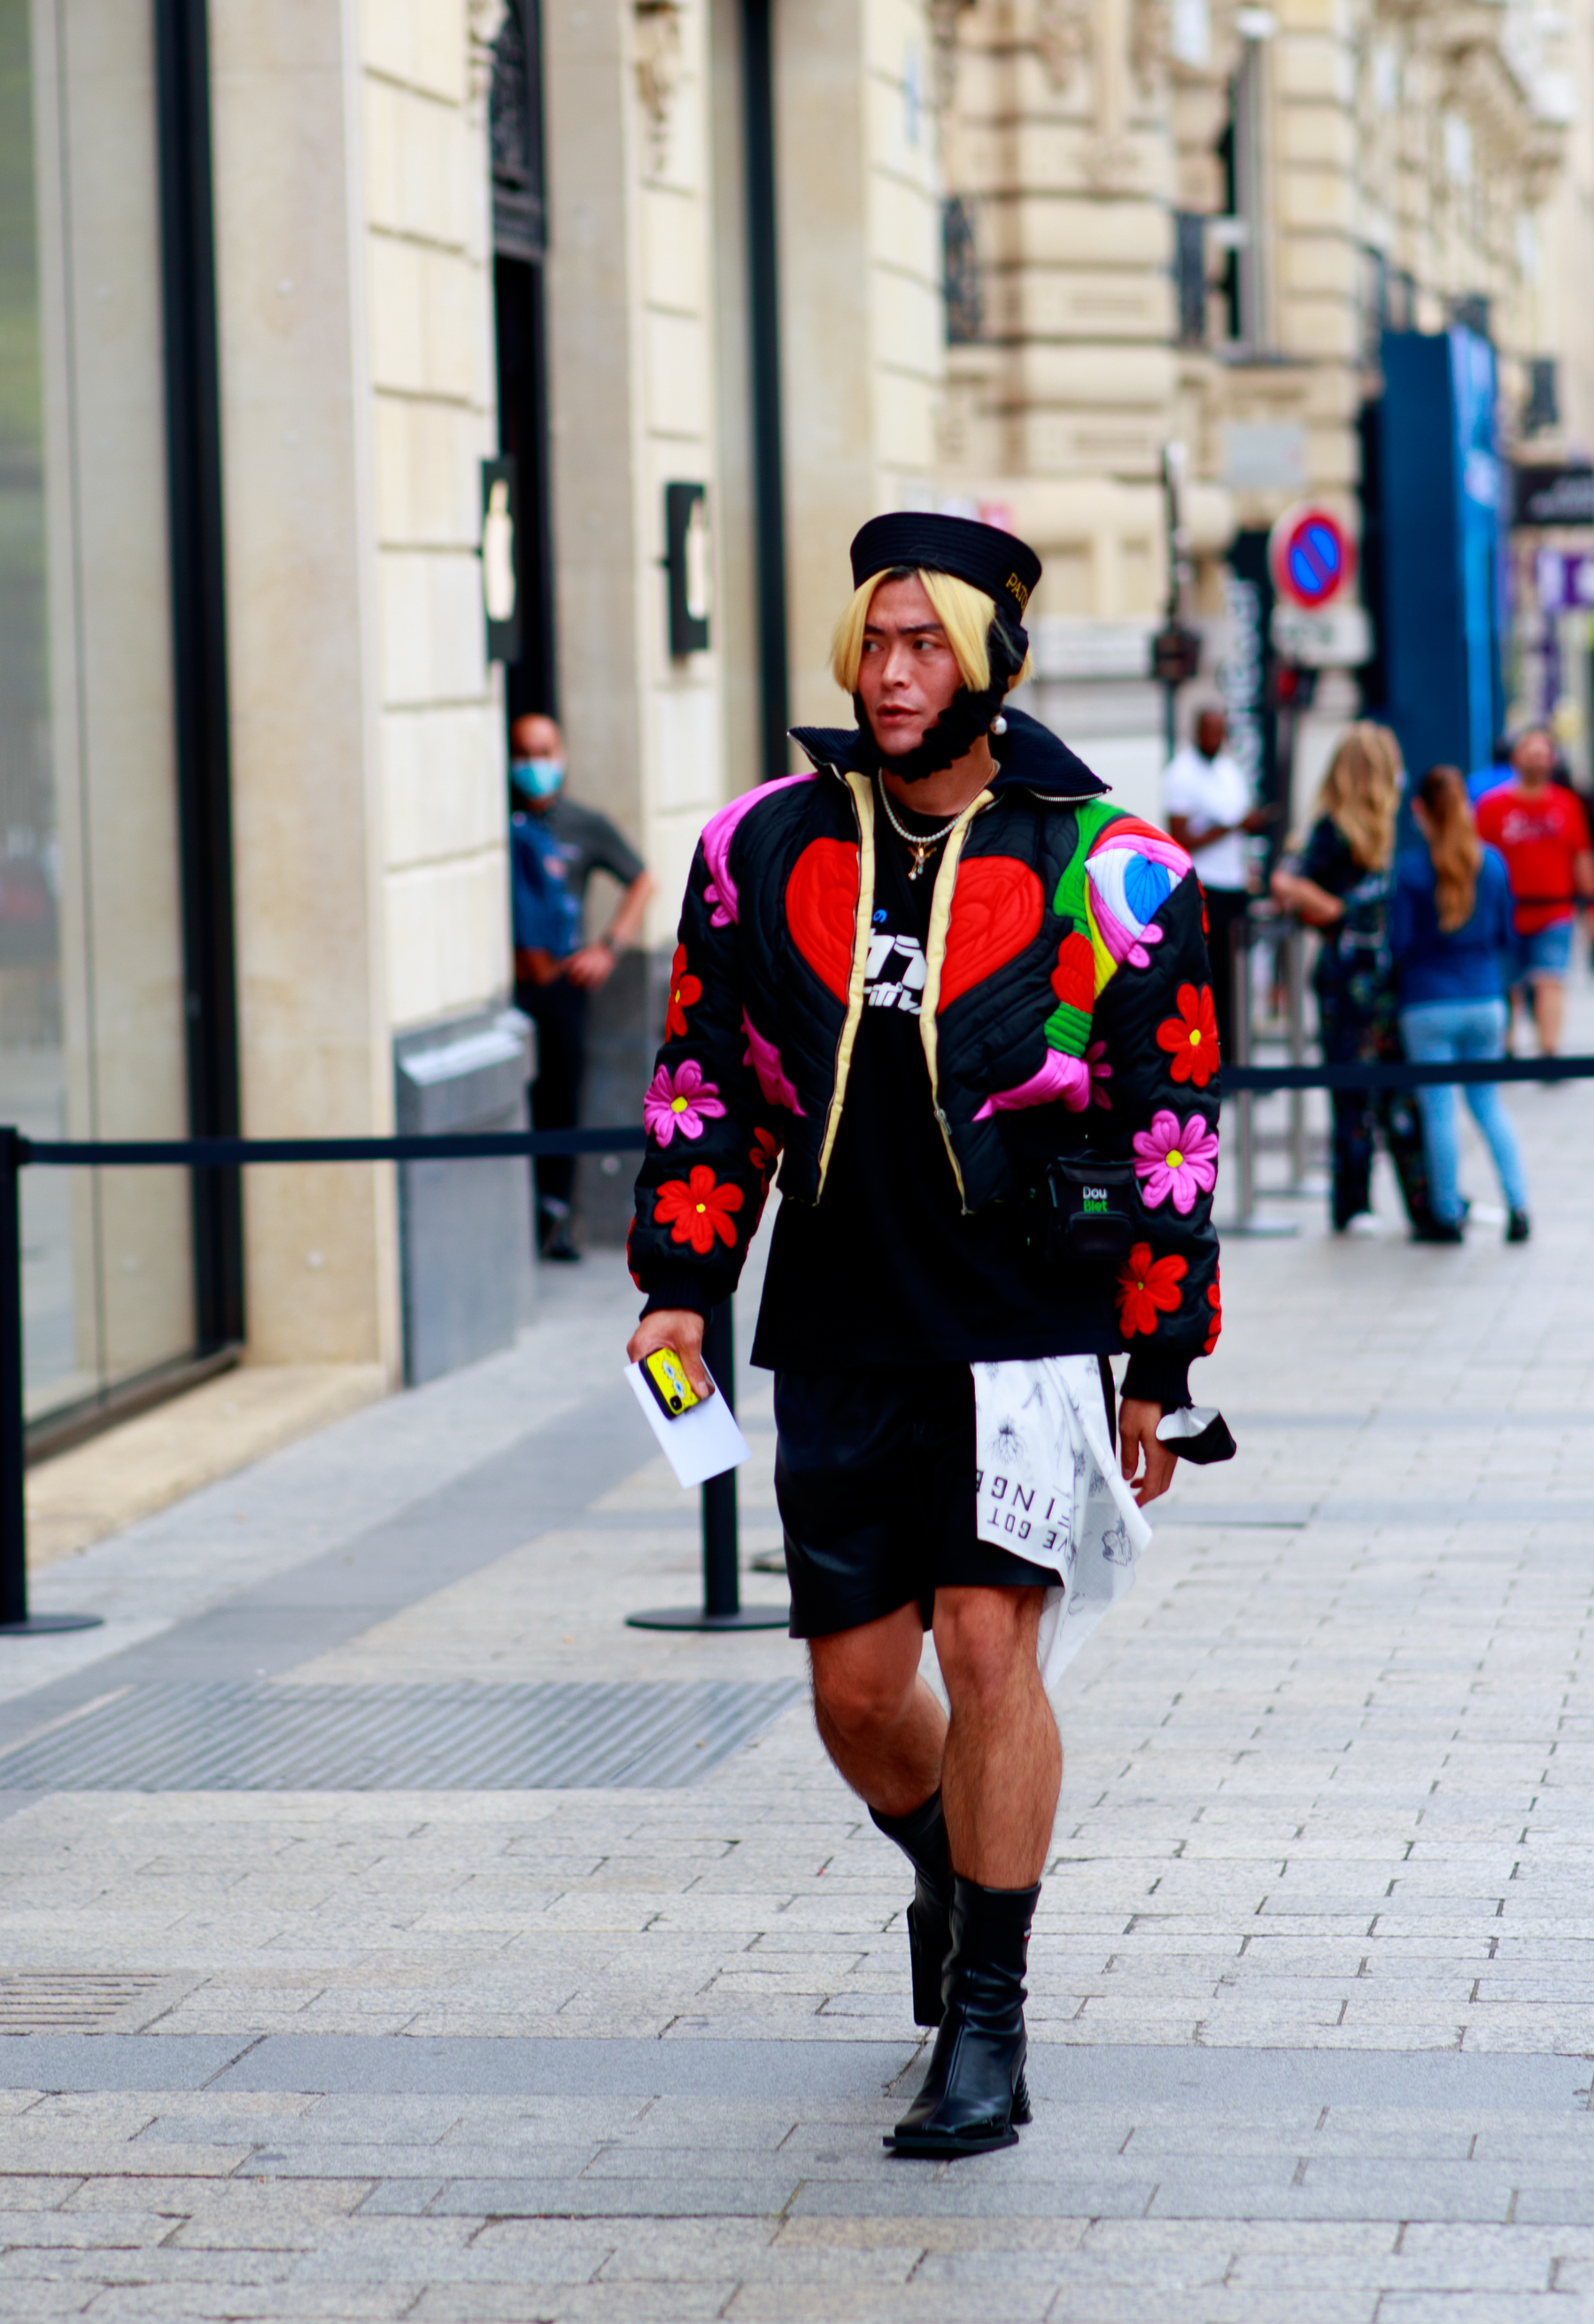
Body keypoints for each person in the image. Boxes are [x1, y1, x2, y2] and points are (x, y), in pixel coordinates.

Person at [625, 515, 1223, 2158]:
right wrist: (680, 1274)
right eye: (874, 644)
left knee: (985, 1648)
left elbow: (1172, 1120)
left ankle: (989, 2022)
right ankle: (958, 1881)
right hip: (833, 1317)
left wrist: (1164, 1365)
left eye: (924, 645)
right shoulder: (759, 847)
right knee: (855, 1695)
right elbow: (707, 1080)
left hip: (1021, 1322)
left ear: (991, 659)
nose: (891, 676)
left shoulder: (1108, 864)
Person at [1271, 724, 1435, 1237]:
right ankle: (1354, 1202)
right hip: (1349, 979)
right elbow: (1286, 880)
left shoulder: (1381, 827)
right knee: (1355, 1091)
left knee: (1395, 1091)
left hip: (1379, 979)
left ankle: (1426, 1201)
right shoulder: (1333, 830)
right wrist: (1338, 911)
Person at [510, 713, 654, 1259]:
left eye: (544, 753)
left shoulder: (581, 823)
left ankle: (558, 1214)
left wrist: (609, 946)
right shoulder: (503, 824)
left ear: (563, 755)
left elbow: (641, 877)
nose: (534, 765)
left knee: (562, 1099)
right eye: (524, 753)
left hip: (563, 981)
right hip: (516, 984)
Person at [1391, 766, 1528, 1244]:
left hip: (1428, 1002)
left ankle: (1446, 1213)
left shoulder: (1411, 870)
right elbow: (1505, 935)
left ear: (1421, 811)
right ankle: (1519, 1204)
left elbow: (1400, 944)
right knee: (1489, 1105)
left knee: (1439, 1111)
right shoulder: (1492, 865)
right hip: (1485, 997)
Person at [1474, 727, 1593, 1059]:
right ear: (1515, 757)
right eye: (1530, 752)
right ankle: (1507, 1047)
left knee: (1549, 979)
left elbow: (1581, 854)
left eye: (1542, 753)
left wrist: (1590, 904)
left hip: (1554, 910)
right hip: (1507, 910)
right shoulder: (1491, 806)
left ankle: (1549, 1049)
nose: (1536, 760)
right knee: (1507, 983)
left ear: (1552, 760)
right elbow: (1477, 858)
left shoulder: (1567, 804)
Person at [1162, 707, 1271, 1063]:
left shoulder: (1229, 771)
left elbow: (1239, 823)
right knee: (1210, 978)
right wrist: (1232, 827)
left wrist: (1249, 828)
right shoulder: (1182, 773)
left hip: (1234, 884)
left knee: (1239, 977)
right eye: (1209, 730)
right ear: (1197, 730)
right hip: (1205, 888)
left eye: (1220, 731)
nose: (1215, 738)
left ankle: (1239, 1055)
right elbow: (1179, 836)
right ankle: (1212, 1058)